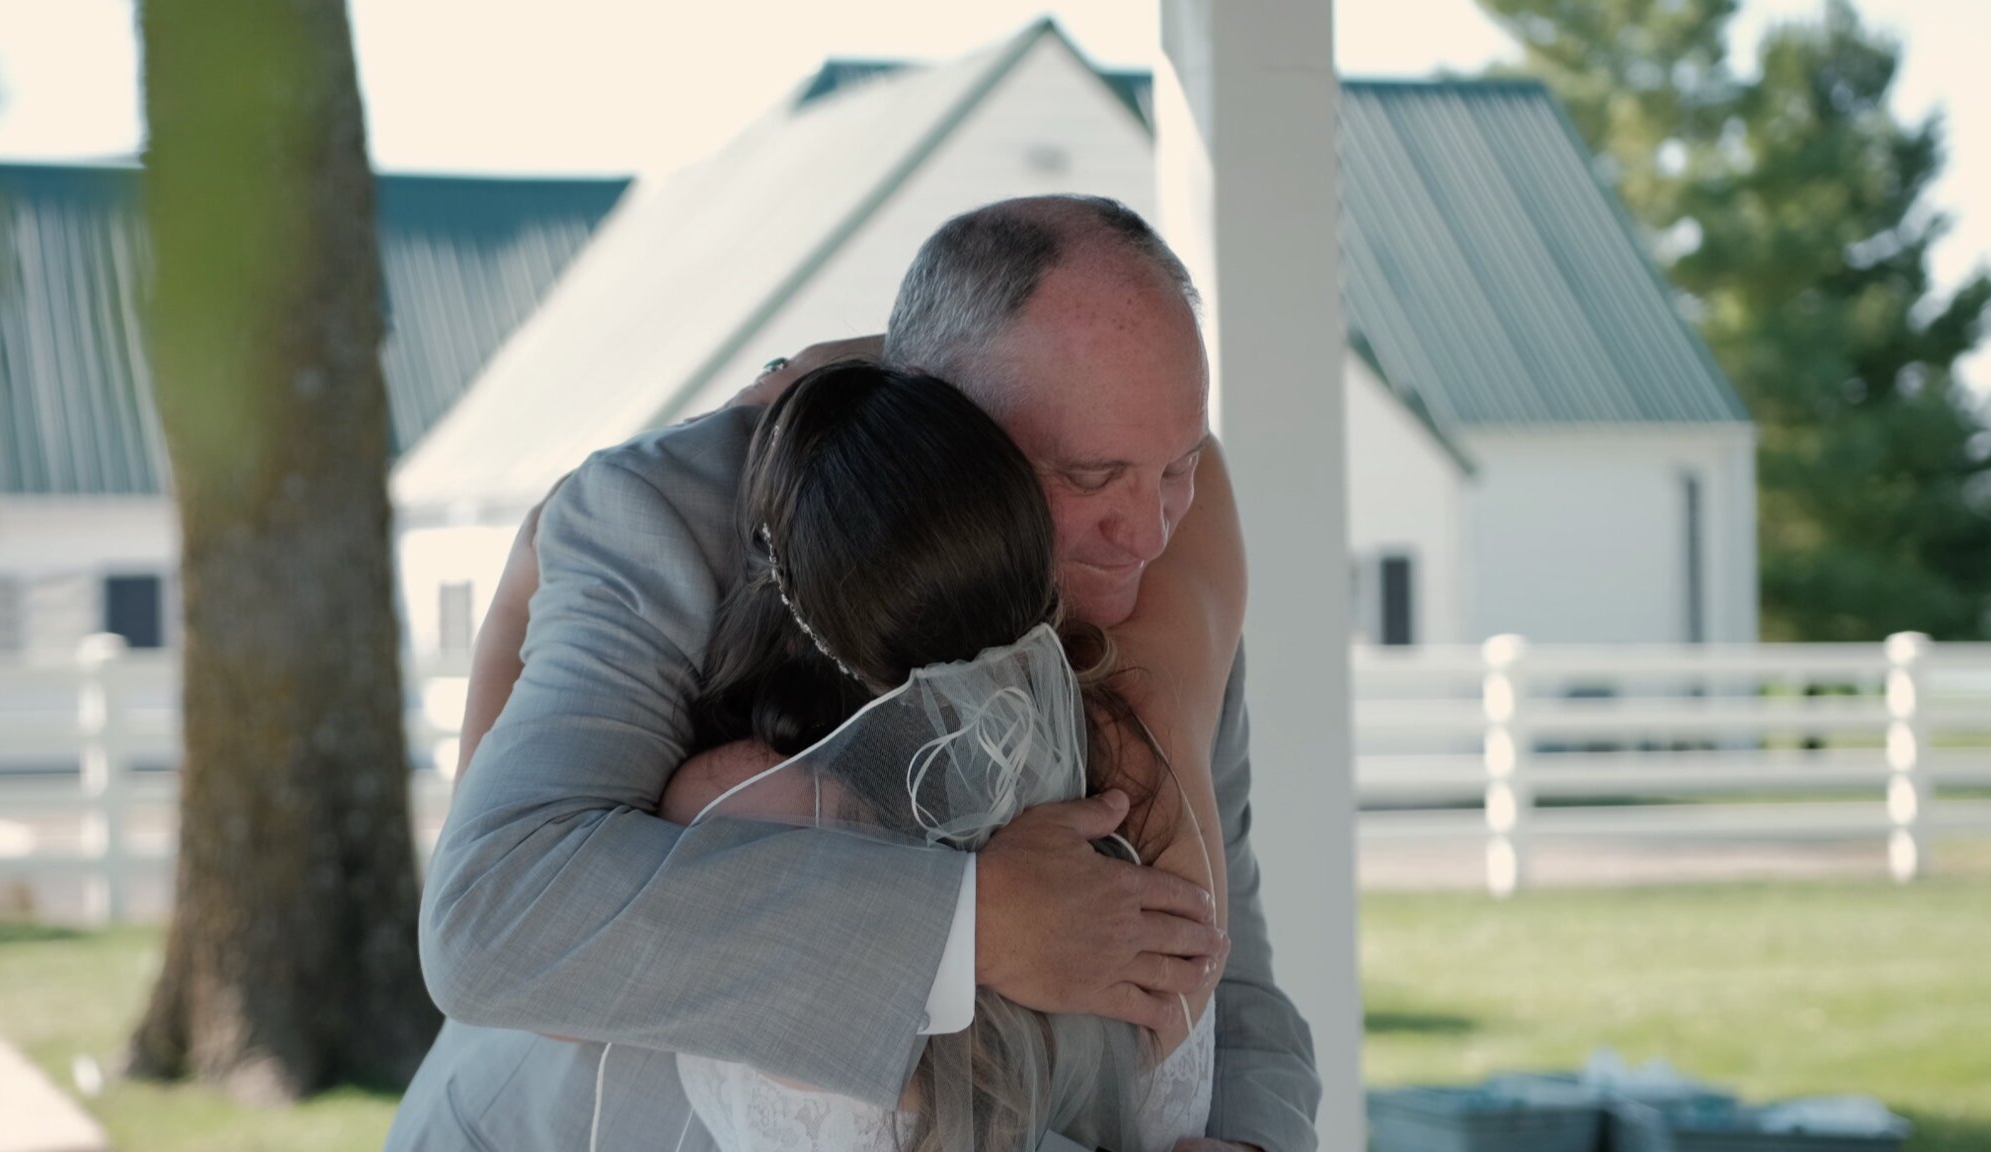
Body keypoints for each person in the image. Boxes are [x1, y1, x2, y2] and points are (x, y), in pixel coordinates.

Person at [386, 196, 1319, 1152]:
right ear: (933, 415)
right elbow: (495, 919)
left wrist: (1256, 1140)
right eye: (1088, 477)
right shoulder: (661, 520)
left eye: (1179, 467)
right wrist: (975, 926)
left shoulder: (1147, 576)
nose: (1149, 533)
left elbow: (1229, 957)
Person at [649, 358, 1241, 1151]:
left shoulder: (733, 808)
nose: (1145, 525)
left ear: (779, 587)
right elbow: (1194, 448)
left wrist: (789, 375)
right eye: (1088, 476)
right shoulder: (1138, 731)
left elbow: (533, 951)